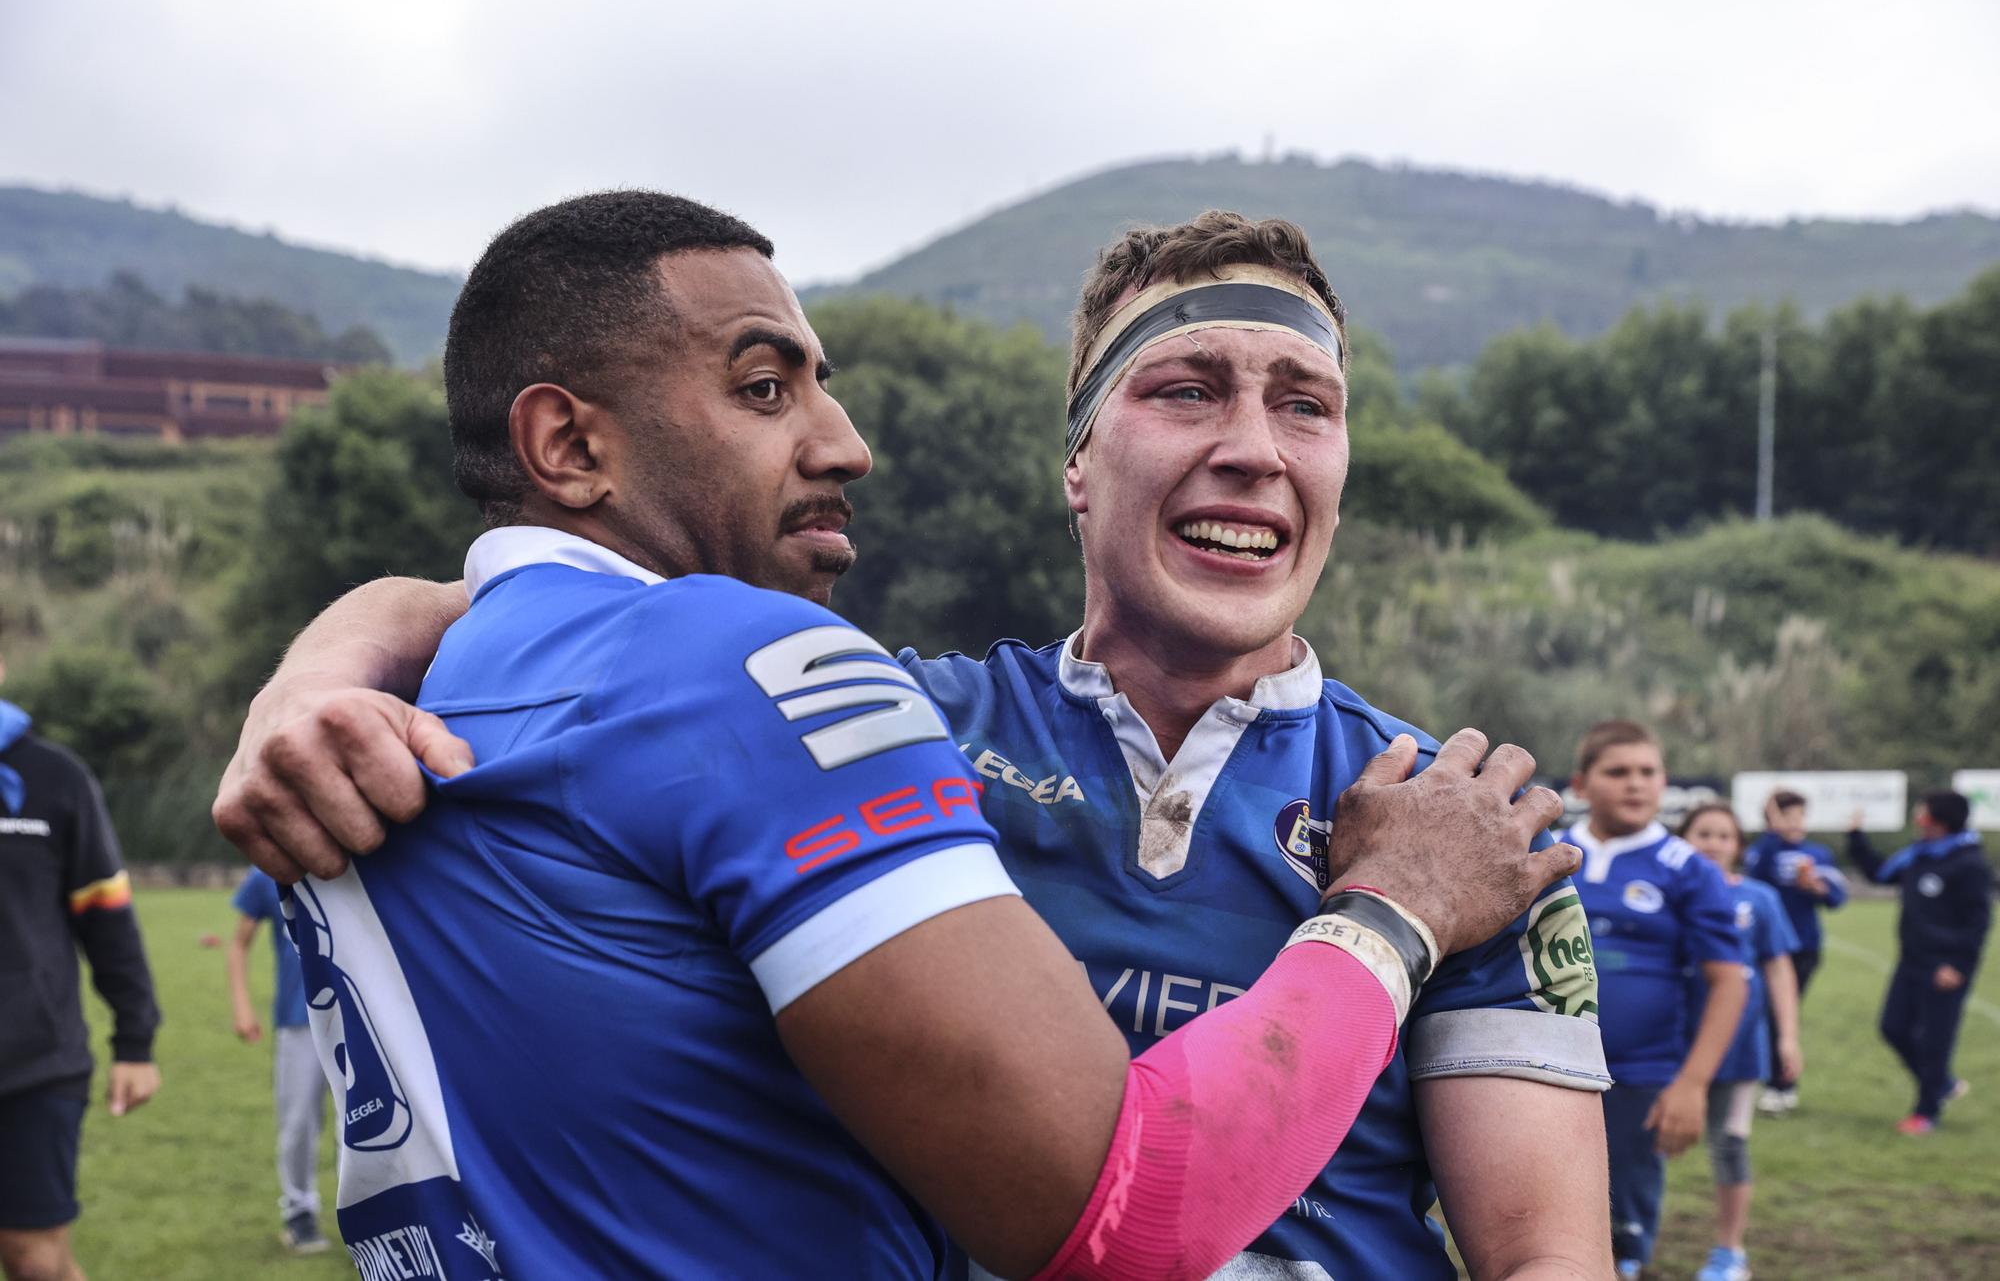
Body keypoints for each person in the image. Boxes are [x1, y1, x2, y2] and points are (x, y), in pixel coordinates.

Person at [215, 204, 1614, 1279]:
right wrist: (324, 666)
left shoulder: (1459, 822)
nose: (1253, 444)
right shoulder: (883, 723)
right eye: (1186, 388)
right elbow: (550, 598)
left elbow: (1547, 1251)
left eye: (1305, 404)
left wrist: (331, 659)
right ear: (1078, 458)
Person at [1557, 720, 1746, 1280]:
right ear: (1582, 784)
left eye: (1647, 772)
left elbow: (1730, 982)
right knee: (1543, 1217)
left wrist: (1691, 1085)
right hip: (1543, 1066)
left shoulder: (1689, 870)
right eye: (1618, 772)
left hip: (1641, 1074)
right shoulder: (1547, 850)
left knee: (1622, 1238)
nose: (1635, 784)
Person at [0, 655, 162, 1281]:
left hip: (35, 1063)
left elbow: (108, 917)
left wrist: (135, 1042)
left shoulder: (54, 779)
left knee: (34, 1258)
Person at [1679, 802, 1802, 1281]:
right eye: (1702, 833)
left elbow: (1778, 968)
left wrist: (1788, 1037)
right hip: (1666, 1045)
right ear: (1682, 840)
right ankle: (1627, 1241)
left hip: (1740, 1048)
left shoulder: (1759, 899)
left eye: (1724, 836)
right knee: (1637, 1149)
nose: (1712, 843)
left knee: (1729, 1144)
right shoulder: (1667, 892)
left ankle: (1730, 1252)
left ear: (1738, 847)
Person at [1847, 789, 1993, 1135]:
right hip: (1911, 962)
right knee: (1892, 1027)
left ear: (1941, 822)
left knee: (1935, 1041)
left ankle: (1927, 1112)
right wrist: (1855, 837)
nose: (1917, 821)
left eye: (1923, 815)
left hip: (1945, 969)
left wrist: (1958, 965)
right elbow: (1878, 873)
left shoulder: (1969, 865)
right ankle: (1941, 1084)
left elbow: (1979, 924)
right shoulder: (1917, 856)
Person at [226, 868, 330, 1255]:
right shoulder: (267, 870)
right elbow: (239, 944)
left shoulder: (358, 860)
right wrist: (241, 1006)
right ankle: (299, 1212)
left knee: (373, 1124)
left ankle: (382, 1216)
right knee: (299, 1120)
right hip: (298, 1018)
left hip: (360, 1021)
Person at [1742, 787, 1847, 1113]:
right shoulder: (1763, 850)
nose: (1795, 822)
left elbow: (1837, 899)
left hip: (1803, 947)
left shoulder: (1818, 853)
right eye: (1787, 815)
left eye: (1800, 815)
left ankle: (1782, 1086)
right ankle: (1764, 1078)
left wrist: (1819, 889)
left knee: (1780, 1014)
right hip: (1764, 947)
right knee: (1756, 1012)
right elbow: (1754, 877)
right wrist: (1773, 835)